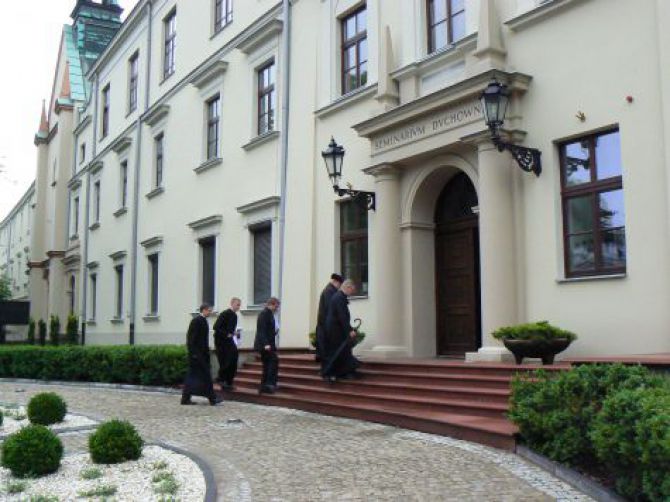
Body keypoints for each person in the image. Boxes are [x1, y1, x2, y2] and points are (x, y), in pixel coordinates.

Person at [181, 304, 223, 406]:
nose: (210, 312)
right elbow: (191, 339)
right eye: (209, 310)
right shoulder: (197, 321)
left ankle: (186, 398)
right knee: (204, 377)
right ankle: (212, 398)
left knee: (195, 378)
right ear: (203, 310)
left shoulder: (203, 321)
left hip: (201, 355)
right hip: (197, 356)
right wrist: (194, 354)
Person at [324, 280, 361, 382]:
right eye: (352, 290)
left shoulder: (338, 297)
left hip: (335, 329)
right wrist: (349, 330)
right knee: (341, 351)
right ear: (348, 287)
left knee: (340, 351)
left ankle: (340, 373)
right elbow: (342, 316)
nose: (352, 292)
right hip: (336, 330)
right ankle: (340, 373)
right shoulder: (339, 298)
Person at [315, 274, 343, 370]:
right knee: (327, 351)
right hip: (326, 327)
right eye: (339, 284)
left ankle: (326, 371)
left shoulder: (329, 290)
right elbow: (330, 309)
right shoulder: (329, 291)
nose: (340, 287)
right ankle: (326, 372)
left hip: (325, 326)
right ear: (335, 282)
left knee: (326, 350)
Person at [213, 297, 241, 390]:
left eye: (239, 305)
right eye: (237, 305)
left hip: (229, 340)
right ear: (232, 304)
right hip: (221, 341)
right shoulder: (225, 314)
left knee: (234, 357)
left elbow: (230, 329)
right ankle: (222, 379)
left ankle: (229, 382)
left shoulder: (235, 316)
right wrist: (226, 334)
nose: (238, 307)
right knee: (225, 360)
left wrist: (233, 333)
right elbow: (216, 327)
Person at [254, 297, 280, 394]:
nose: (277, 308)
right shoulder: (264, 314)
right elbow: (261, 330)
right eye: (276, 306)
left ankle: (264, 386)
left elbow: (268, 330)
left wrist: (274, 332)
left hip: (268, 344)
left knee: (267, 364)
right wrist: (266, 344)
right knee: (272, 362)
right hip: (265, 345)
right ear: (271, 304)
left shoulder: (269, 314)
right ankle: (269, 384)